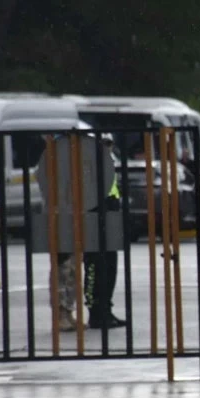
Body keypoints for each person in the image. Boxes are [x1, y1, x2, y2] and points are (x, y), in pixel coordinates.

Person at [84, 133, 126, 329]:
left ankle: (106, 310)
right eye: (104, 144)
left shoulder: (108, 164)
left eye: (110, 144)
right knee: (95, 267)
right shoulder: (88, 166)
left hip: (110, 218)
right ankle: (96, 313)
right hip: (94, 220)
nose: (108, 148)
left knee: (110, 267)